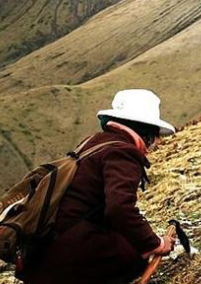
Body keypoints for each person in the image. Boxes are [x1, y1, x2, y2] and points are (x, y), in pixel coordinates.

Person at [22, 89, 177, 284]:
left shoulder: (94, 143)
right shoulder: (123, 152)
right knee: (135, 256)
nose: (153, 145)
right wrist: (156, 243)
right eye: (153, 137)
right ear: (145, 132)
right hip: (70, 256)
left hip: (42, 254)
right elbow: (119, 208)